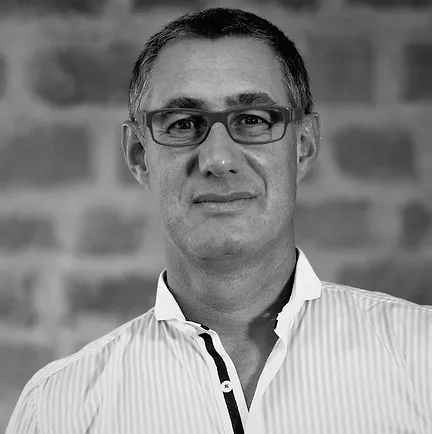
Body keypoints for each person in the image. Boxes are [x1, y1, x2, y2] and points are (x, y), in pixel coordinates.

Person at [6, 7, 431, 434]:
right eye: (183, 124)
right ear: (138, 156)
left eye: (252, 120)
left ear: (303, 145)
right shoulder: (57, 408)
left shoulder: (421, 357)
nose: (218, 159)